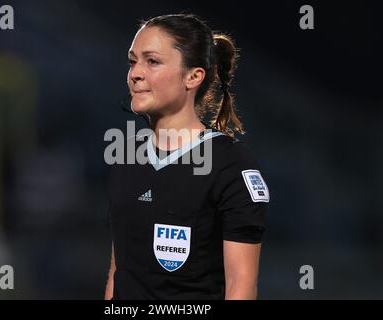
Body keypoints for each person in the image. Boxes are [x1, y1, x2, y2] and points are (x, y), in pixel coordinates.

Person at [104, 13, 270, 300]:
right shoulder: (126, 156)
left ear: (193, 76)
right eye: (133, 61)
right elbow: (119, 272)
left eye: (152, 61)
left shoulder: (230, 165)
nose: (135, 73)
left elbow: (240, 286)